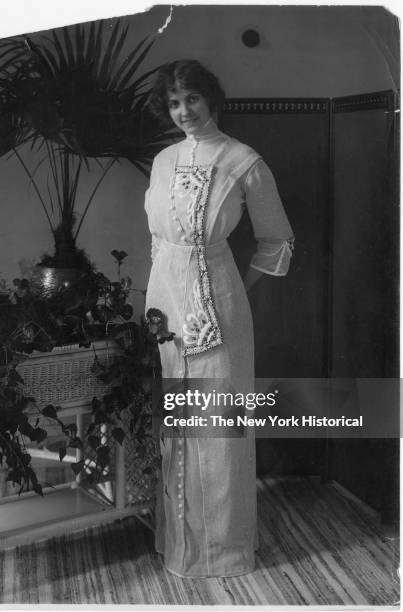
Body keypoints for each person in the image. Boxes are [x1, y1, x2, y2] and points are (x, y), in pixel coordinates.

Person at [144, 59, 294, 578]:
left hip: (218, 308)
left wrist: (234, 293)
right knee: (177, 426)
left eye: (191, 99)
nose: (183, 111)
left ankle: (222, 553)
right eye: (173, 103)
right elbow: (160, 239)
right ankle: (179, 545)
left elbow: (276, 242)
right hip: (165, 306)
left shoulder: (243, 160)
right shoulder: (163, 161)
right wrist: (160, 301)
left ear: (212, 99)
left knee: (217, 427)